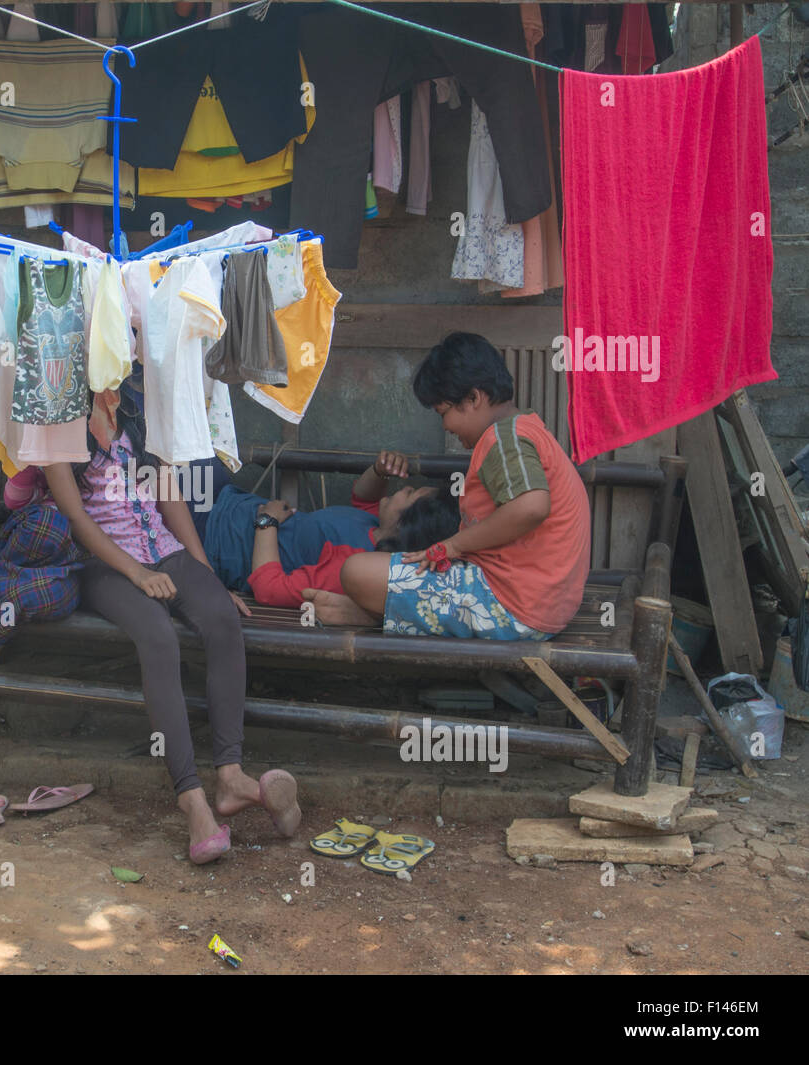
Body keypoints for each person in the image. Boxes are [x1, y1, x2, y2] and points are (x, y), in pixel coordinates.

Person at [41, 393, 302, 865]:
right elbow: (78, 521)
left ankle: (231, 776)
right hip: (103, 566)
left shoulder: (139, 414)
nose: (118, 375)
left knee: (223, 621)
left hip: (164, 550)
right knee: (157, 636)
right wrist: (137, 574)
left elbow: (169, 497)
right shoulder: (58, 427)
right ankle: (192, 799)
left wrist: (208, 577)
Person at [306, 332, 591, 639]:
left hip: (513, 607)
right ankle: (373, 614)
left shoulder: (504, 439)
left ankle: (370, 614)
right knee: (375, 569)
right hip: (538, 605)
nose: (445, 427)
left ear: (473, 398)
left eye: (444, 413)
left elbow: (531, 507)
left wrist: (453, 545)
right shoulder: (526, 429)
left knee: (356, 572)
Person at [248, 477, 459, 608]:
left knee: (212, 464)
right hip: (233, 504)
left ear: (406, 525)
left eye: (411, 493)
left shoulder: (354, 564)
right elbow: (363, 498)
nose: (406, 487)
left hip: (224, 536)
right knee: (213, 465)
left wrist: (267, 521)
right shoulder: (374, 526)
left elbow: (269, 589)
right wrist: (379, 471)